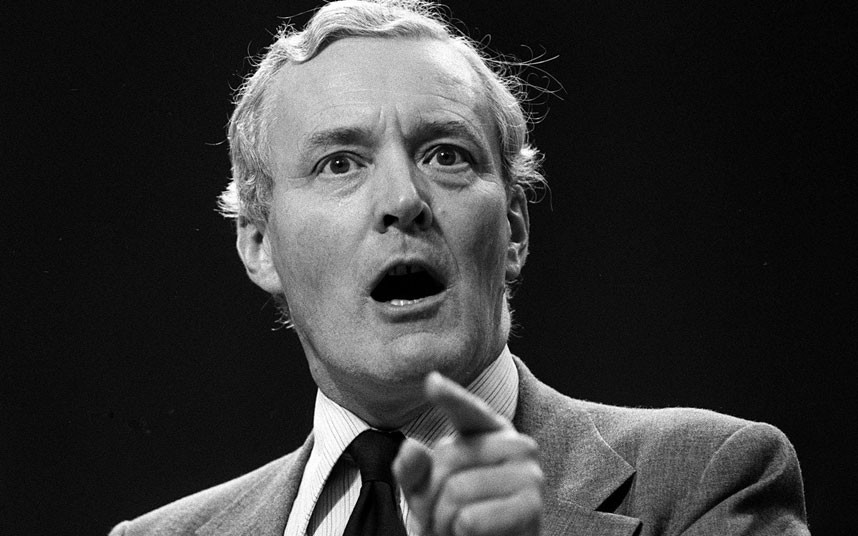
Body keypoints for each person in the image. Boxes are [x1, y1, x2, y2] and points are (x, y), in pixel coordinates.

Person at [110, 1, 810, 534]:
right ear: (260, 244)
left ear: (513, 230)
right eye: (340, 163)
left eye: (446, 155)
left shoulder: (709, 481)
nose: (404, 200)